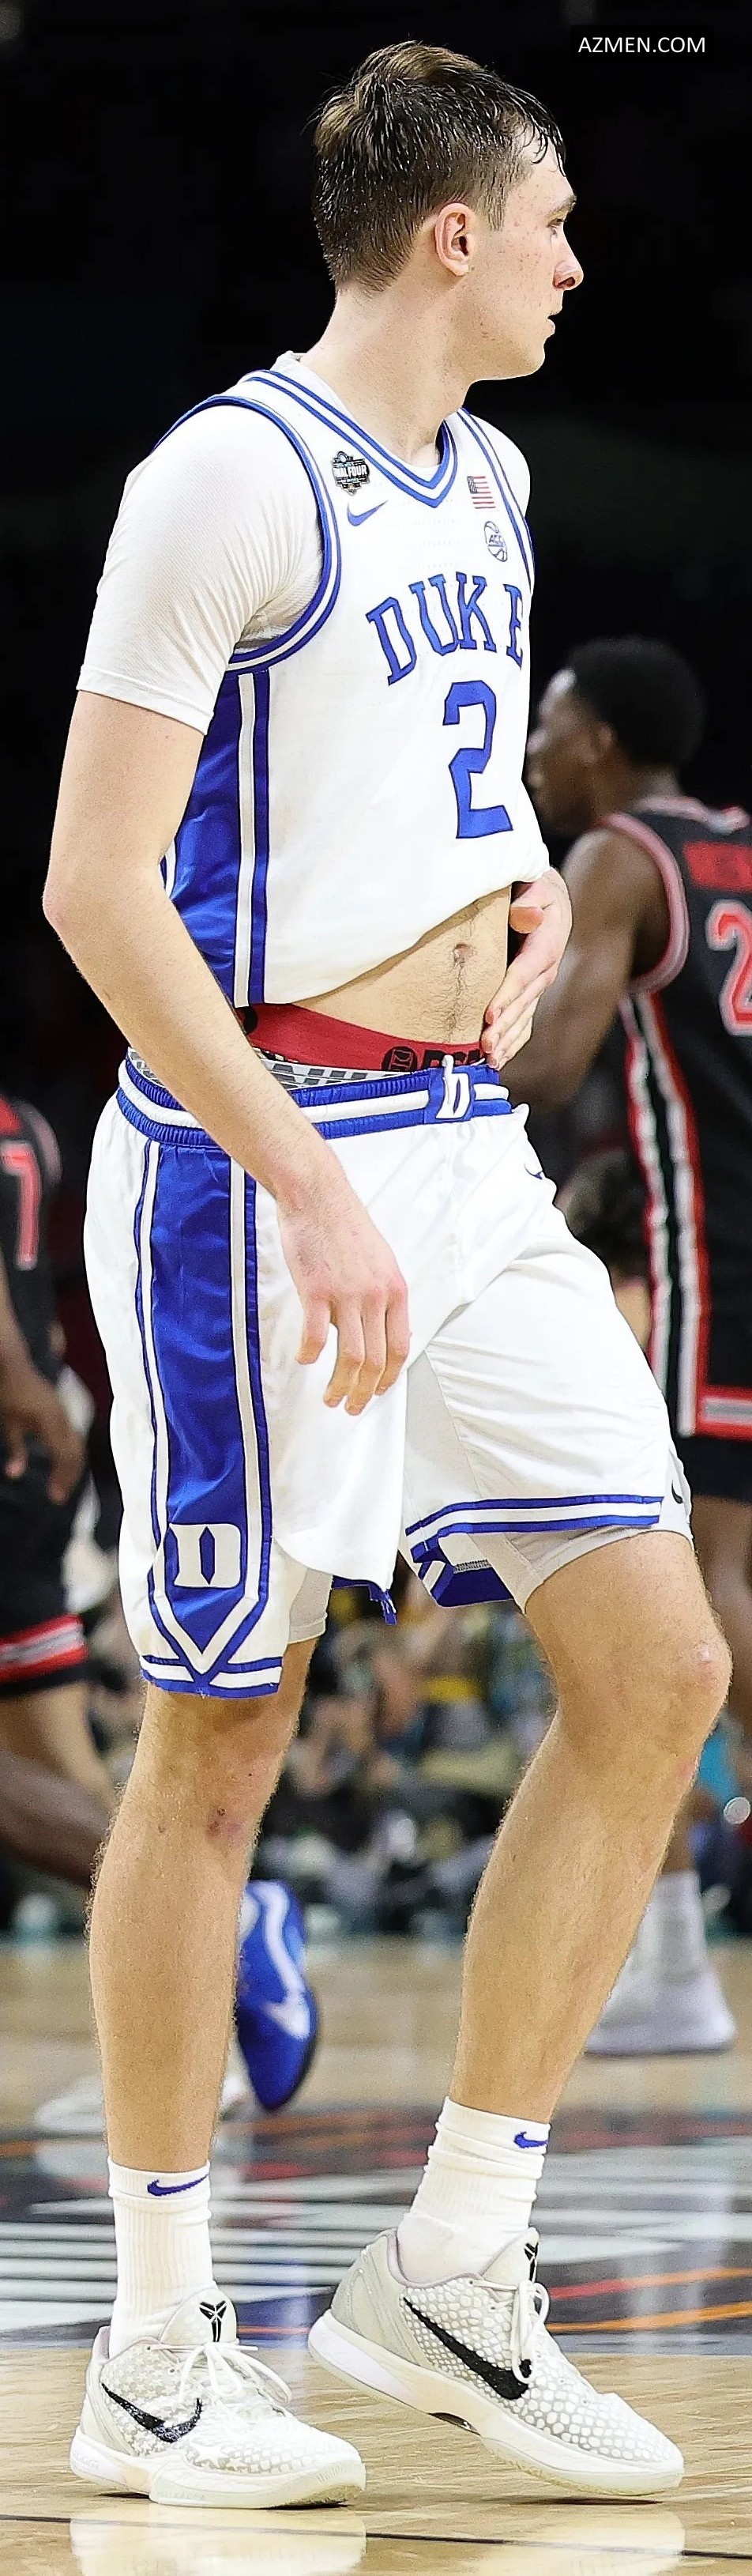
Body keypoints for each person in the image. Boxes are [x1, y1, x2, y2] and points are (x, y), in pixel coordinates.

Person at [43, 43, 727, 2510]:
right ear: (452, 236)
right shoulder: (226, 478)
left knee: (657, 1666)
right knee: (219, 1741)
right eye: (548, 224)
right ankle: (151, 2353)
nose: (573, 260)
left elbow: (422, 775)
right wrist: (304, 1182)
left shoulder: (497, 479)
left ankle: (452, 2264)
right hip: (261, 1167)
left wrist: (509, 891)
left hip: (454, 1147)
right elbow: (95, 887)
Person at [509, 633, 750, 2052]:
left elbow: (549, 1059)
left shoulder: (619, 854)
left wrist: (405, 1047)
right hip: (718, 1237)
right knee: (667, 1595)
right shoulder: (738, 846)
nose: (534, 748)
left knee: (688, 1597)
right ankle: (665, 1957)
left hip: (718, 1260)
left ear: (599, 737)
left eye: (549, 721)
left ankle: (669, 1962)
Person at [0, 1092, 113, 1810]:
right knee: (66, 1768)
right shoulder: (29, 1125)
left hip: (15, 1420)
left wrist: (16, 1376)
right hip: (41, 1444)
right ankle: (178, 1882)